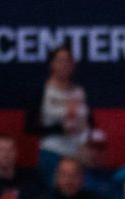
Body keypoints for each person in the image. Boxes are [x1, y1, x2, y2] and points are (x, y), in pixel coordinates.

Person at [32, 48, 90, 185]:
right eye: (59, 60)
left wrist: (86, 141)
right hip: (52, 151)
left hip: (77, 153)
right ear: (52, 64)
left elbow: (88, 122)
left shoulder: (79, 91)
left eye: (67, 61)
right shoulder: (43, 90)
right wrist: (60, 129)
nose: (64, 65)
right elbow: (30, 126)